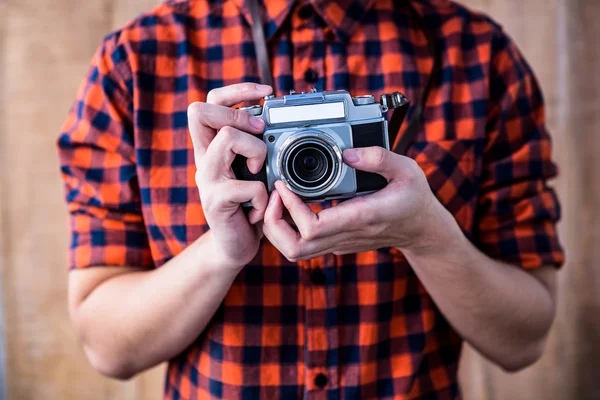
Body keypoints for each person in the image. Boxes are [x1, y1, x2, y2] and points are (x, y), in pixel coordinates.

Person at [57, 0, 565, 398]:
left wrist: (429, 236)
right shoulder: (135, 63)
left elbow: (524, 339)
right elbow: (108, 348)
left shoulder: (478, 55)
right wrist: (222, 251)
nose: (311, 160)